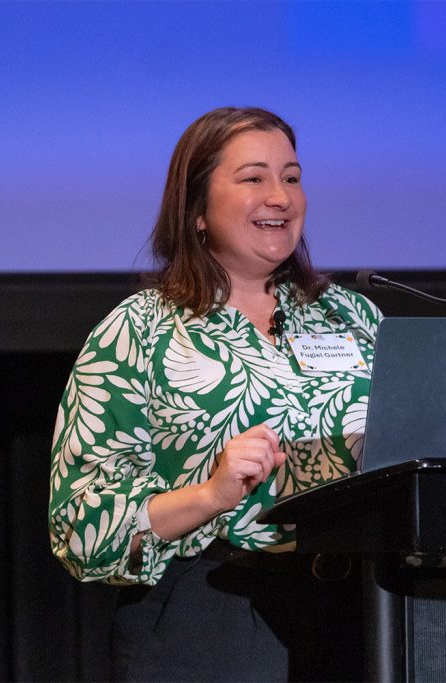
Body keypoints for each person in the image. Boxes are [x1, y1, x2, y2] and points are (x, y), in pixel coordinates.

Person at [49, 107, 381, 681]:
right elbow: (81, 525)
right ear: (197, 210)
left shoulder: (352, 317)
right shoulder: (139, 331)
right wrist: (210, 494)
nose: (280, 196)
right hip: (211, 617)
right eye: (254, 178)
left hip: (362, 612)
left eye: (292, 177)